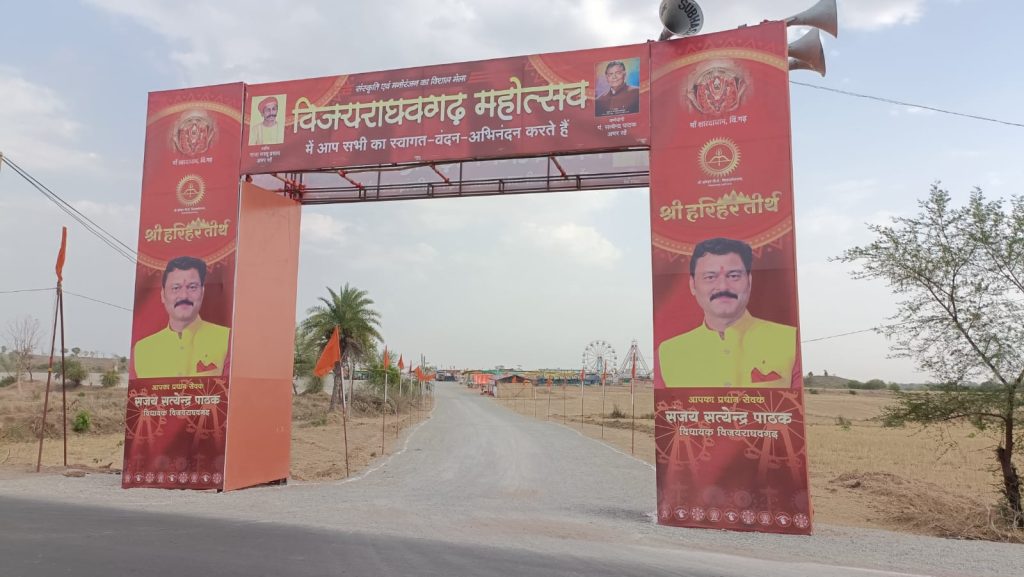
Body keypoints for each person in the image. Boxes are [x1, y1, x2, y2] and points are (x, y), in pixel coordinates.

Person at [658, 237, 797, 388]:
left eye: (734, 276)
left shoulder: (790, 341)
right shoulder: (667, 353)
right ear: (692, 285)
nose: (723, 286)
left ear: (749, 281)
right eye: (710, 277)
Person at [133, 256, 230, 378]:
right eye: (176, 288)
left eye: (192, 287)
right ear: (163, 295)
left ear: (202, 292)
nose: (184, 295)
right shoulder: (141, 350)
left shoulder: (227, 339)